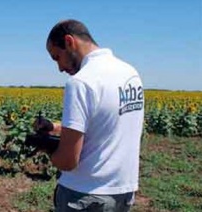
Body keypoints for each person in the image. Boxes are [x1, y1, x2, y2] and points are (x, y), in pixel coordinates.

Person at [36, 19, 145, 211]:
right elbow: (107, 122)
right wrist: (54, 127)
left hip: (85, 194)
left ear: (69, 42)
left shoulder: (81, 82)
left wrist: (46, 147)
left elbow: (68, 161)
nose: (60, 68)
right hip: (122, 192)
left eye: (57, 57)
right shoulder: (130, 73)